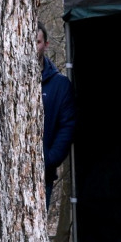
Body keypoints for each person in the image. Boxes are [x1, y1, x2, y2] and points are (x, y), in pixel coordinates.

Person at [36, 22, 77, 208]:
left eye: (37, 42)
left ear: (46, 44)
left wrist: (49, 159)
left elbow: (67, 126)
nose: (32, 48)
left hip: (42, 177)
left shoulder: (60, 85)